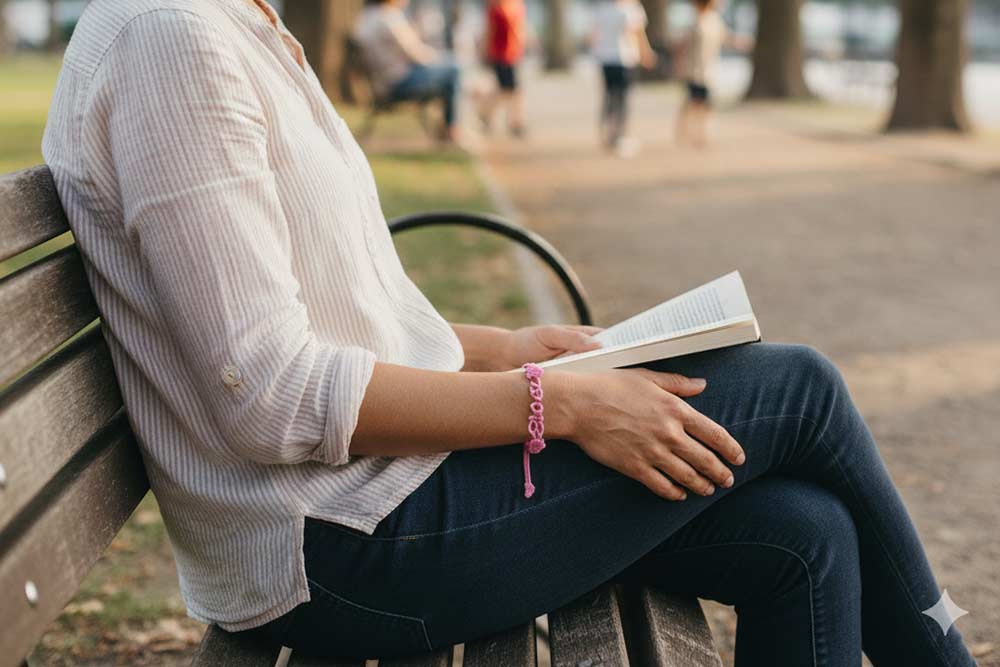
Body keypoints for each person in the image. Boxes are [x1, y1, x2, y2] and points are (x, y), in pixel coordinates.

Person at [42, 1, 977, 665]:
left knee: (805, 536)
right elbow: (270, 393)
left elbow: (323, 310)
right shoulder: (176, 43)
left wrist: (503, 348)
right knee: (799, 386)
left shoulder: (232, 27)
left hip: (372, 499)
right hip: (332, 545)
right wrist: (554, 405)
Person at [354, 0, 461, 143]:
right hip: (397, 83)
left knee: (448, 71)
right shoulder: (389, 19)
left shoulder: (365, 18)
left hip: (380, 83)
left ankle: (447, 128)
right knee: (453, 69)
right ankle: (450, 130)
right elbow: (418, 55)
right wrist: (441, 58)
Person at [675, 0, 748, 147]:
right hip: (694, 71)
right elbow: (683, 46)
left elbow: (727, 37)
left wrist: (742, 43)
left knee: (704, 104)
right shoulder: (696, 23)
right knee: (693, 102)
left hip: (707, 71)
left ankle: (701, 133)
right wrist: (680, 65)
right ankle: (686, 131)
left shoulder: (713, 21)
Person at [591, 0, 655, 156]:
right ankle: (620, 135)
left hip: (606, 59)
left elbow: (594, 35)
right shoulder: (632, 9)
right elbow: (638, 33)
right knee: (623, 98)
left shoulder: (602, 8)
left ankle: (607, 133)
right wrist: (646, 53)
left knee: (610, 96)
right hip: (624, 59)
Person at [478, 0, 528, 138]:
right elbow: (489, 31)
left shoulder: (516, 4)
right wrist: (484, 52)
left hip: (513, 54)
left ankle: (513, 121)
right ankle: (511, 121)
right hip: (500, 54)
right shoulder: (496, 7)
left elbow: (520, 28)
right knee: (508, 89)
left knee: (512, 89)